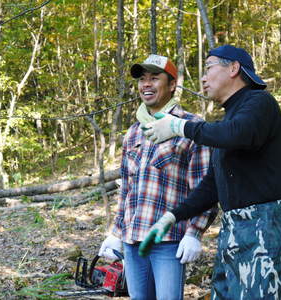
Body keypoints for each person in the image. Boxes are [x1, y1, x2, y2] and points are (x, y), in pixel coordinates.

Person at [140, 45, 281, 300]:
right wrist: (172, 216)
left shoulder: (259, 102)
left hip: (265, 225)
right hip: (234, 228)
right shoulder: (228, 120)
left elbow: (238, 133)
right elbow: (213, 184)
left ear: (234, 68)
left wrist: (180, 126)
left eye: (209, 68)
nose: (203, 77)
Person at [99, 54, 217, 300]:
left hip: (168, 241)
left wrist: (194, 233)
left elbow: (206, 187)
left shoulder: (191, 126)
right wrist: (115, 233)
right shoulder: (133, 132)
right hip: (132, 242)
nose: (146, 84)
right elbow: (126, 189)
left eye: (155, 78)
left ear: (172, 84)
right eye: (142, 79)